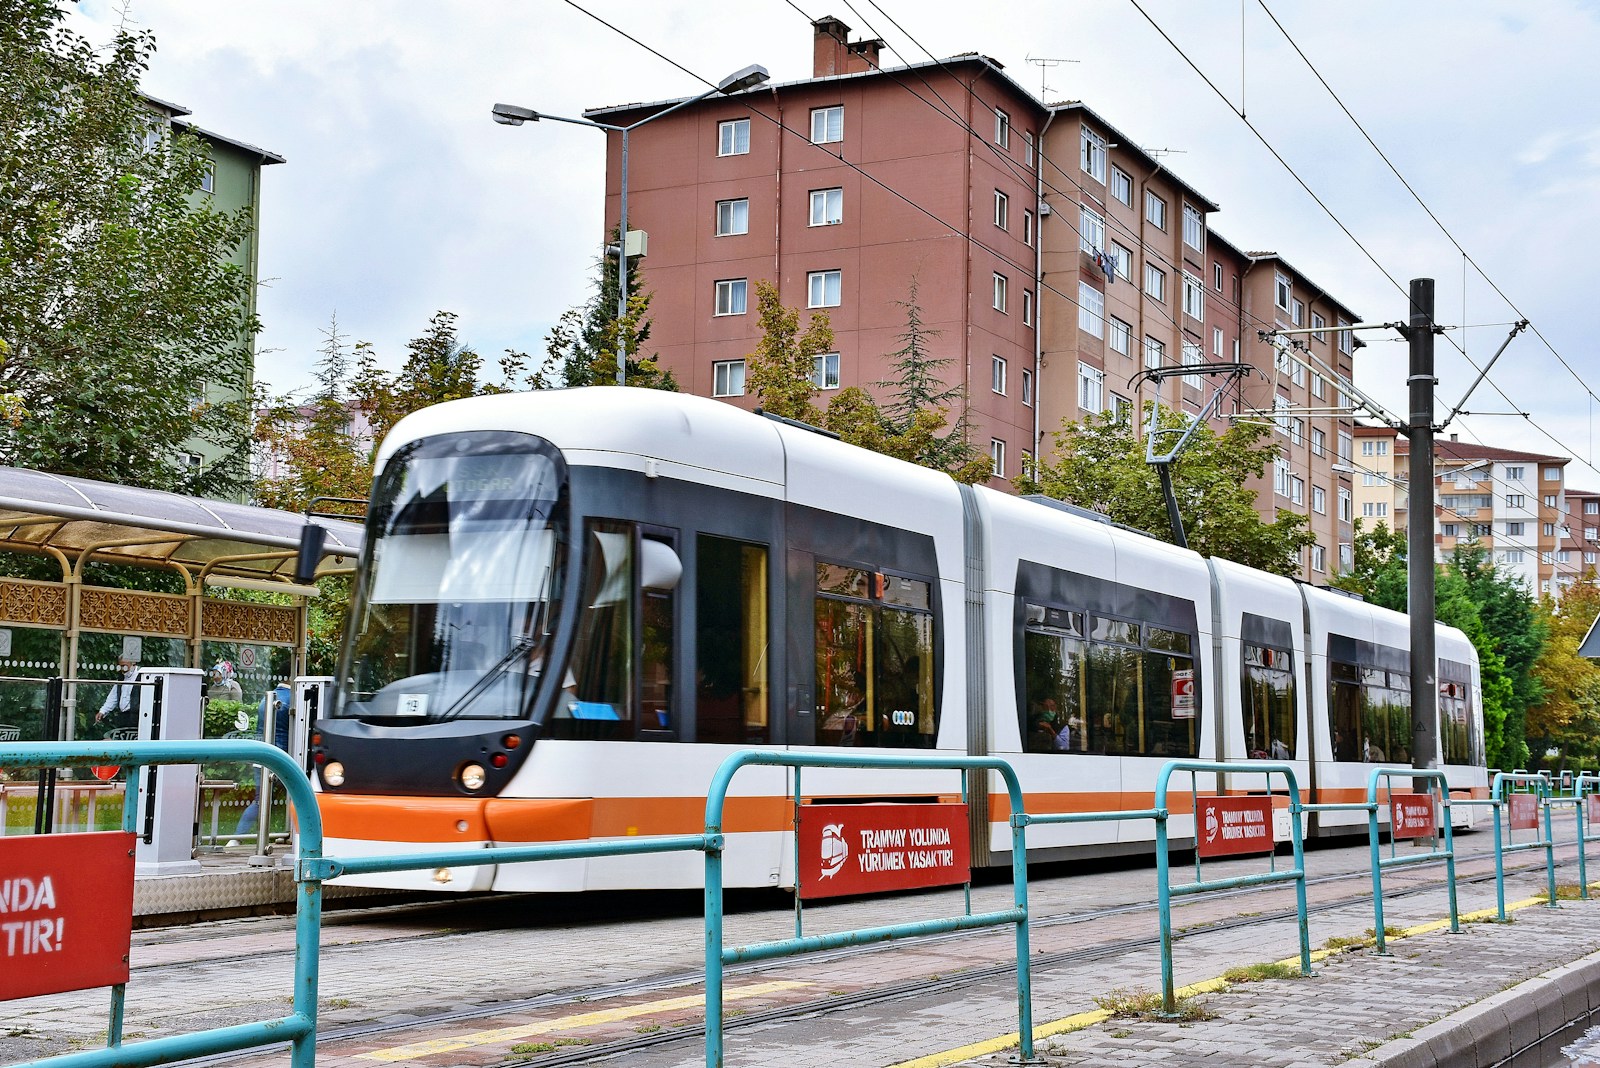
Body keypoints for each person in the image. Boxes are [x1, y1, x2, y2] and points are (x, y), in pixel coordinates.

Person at [229, 684, 293, 846]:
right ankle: (291, 833)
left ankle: (237, 838)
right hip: (283, 757)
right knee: (297, 796)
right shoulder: (292, 699)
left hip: (262, 754)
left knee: (260, 799)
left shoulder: (266, 698)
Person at [95, 656, 141, 732]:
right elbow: (113, 697)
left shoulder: (141, 676)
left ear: (133, 663)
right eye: (120, 666)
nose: (123, 669)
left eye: (125, 666)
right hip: (123, 717)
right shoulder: (121, 678)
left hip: (137, 717)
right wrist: (102, 711)